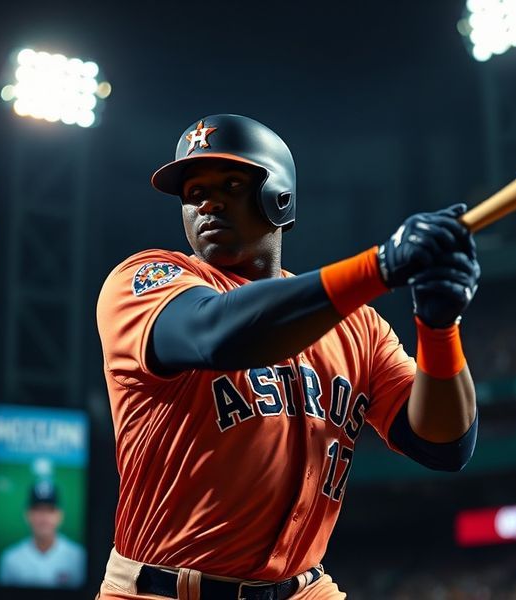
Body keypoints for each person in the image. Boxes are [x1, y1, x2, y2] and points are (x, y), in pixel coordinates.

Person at [96, 114, 481, 599]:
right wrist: (381, 265)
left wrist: (439, 327)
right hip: (167, 590)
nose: (207, 202)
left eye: (231, 184)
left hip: (303, 588)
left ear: (280, 199)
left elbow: (444, 445)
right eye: (193, 193)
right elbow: (220, 332)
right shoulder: (145, 280)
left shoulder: (357, 326)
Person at [0, 480, 86, 588]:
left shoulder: (78, 557)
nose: (44, 517)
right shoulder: (10, 559)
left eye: (49, 510)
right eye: (38, 510)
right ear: (27, 515)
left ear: (60, 515)